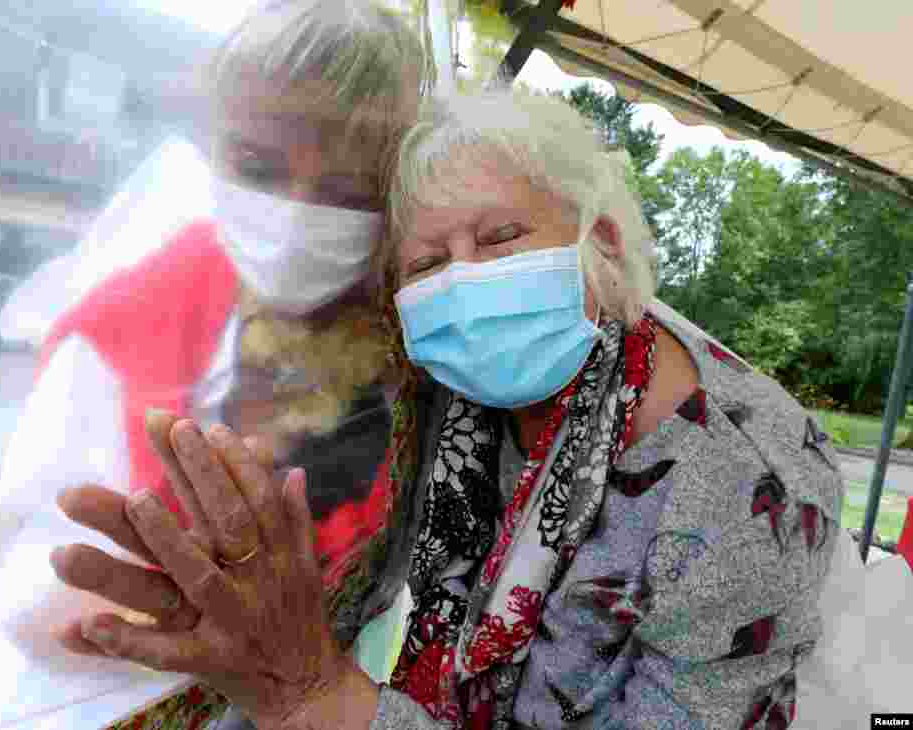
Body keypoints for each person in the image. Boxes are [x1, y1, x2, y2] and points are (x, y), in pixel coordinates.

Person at [52, 91, 843, 730]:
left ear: (599, 241)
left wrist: (308, 694)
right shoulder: (450, 396)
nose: (463, 287)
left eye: (500, 237)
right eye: (428, 264)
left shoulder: (748, 492)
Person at [0, 1, 429, 727]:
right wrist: (214, 627)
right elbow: (36, 592)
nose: (296, 215)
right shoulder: (127, 322)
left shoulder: (419, 352)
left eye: (349, 192)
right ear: (216, 147)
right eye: (258, 168)